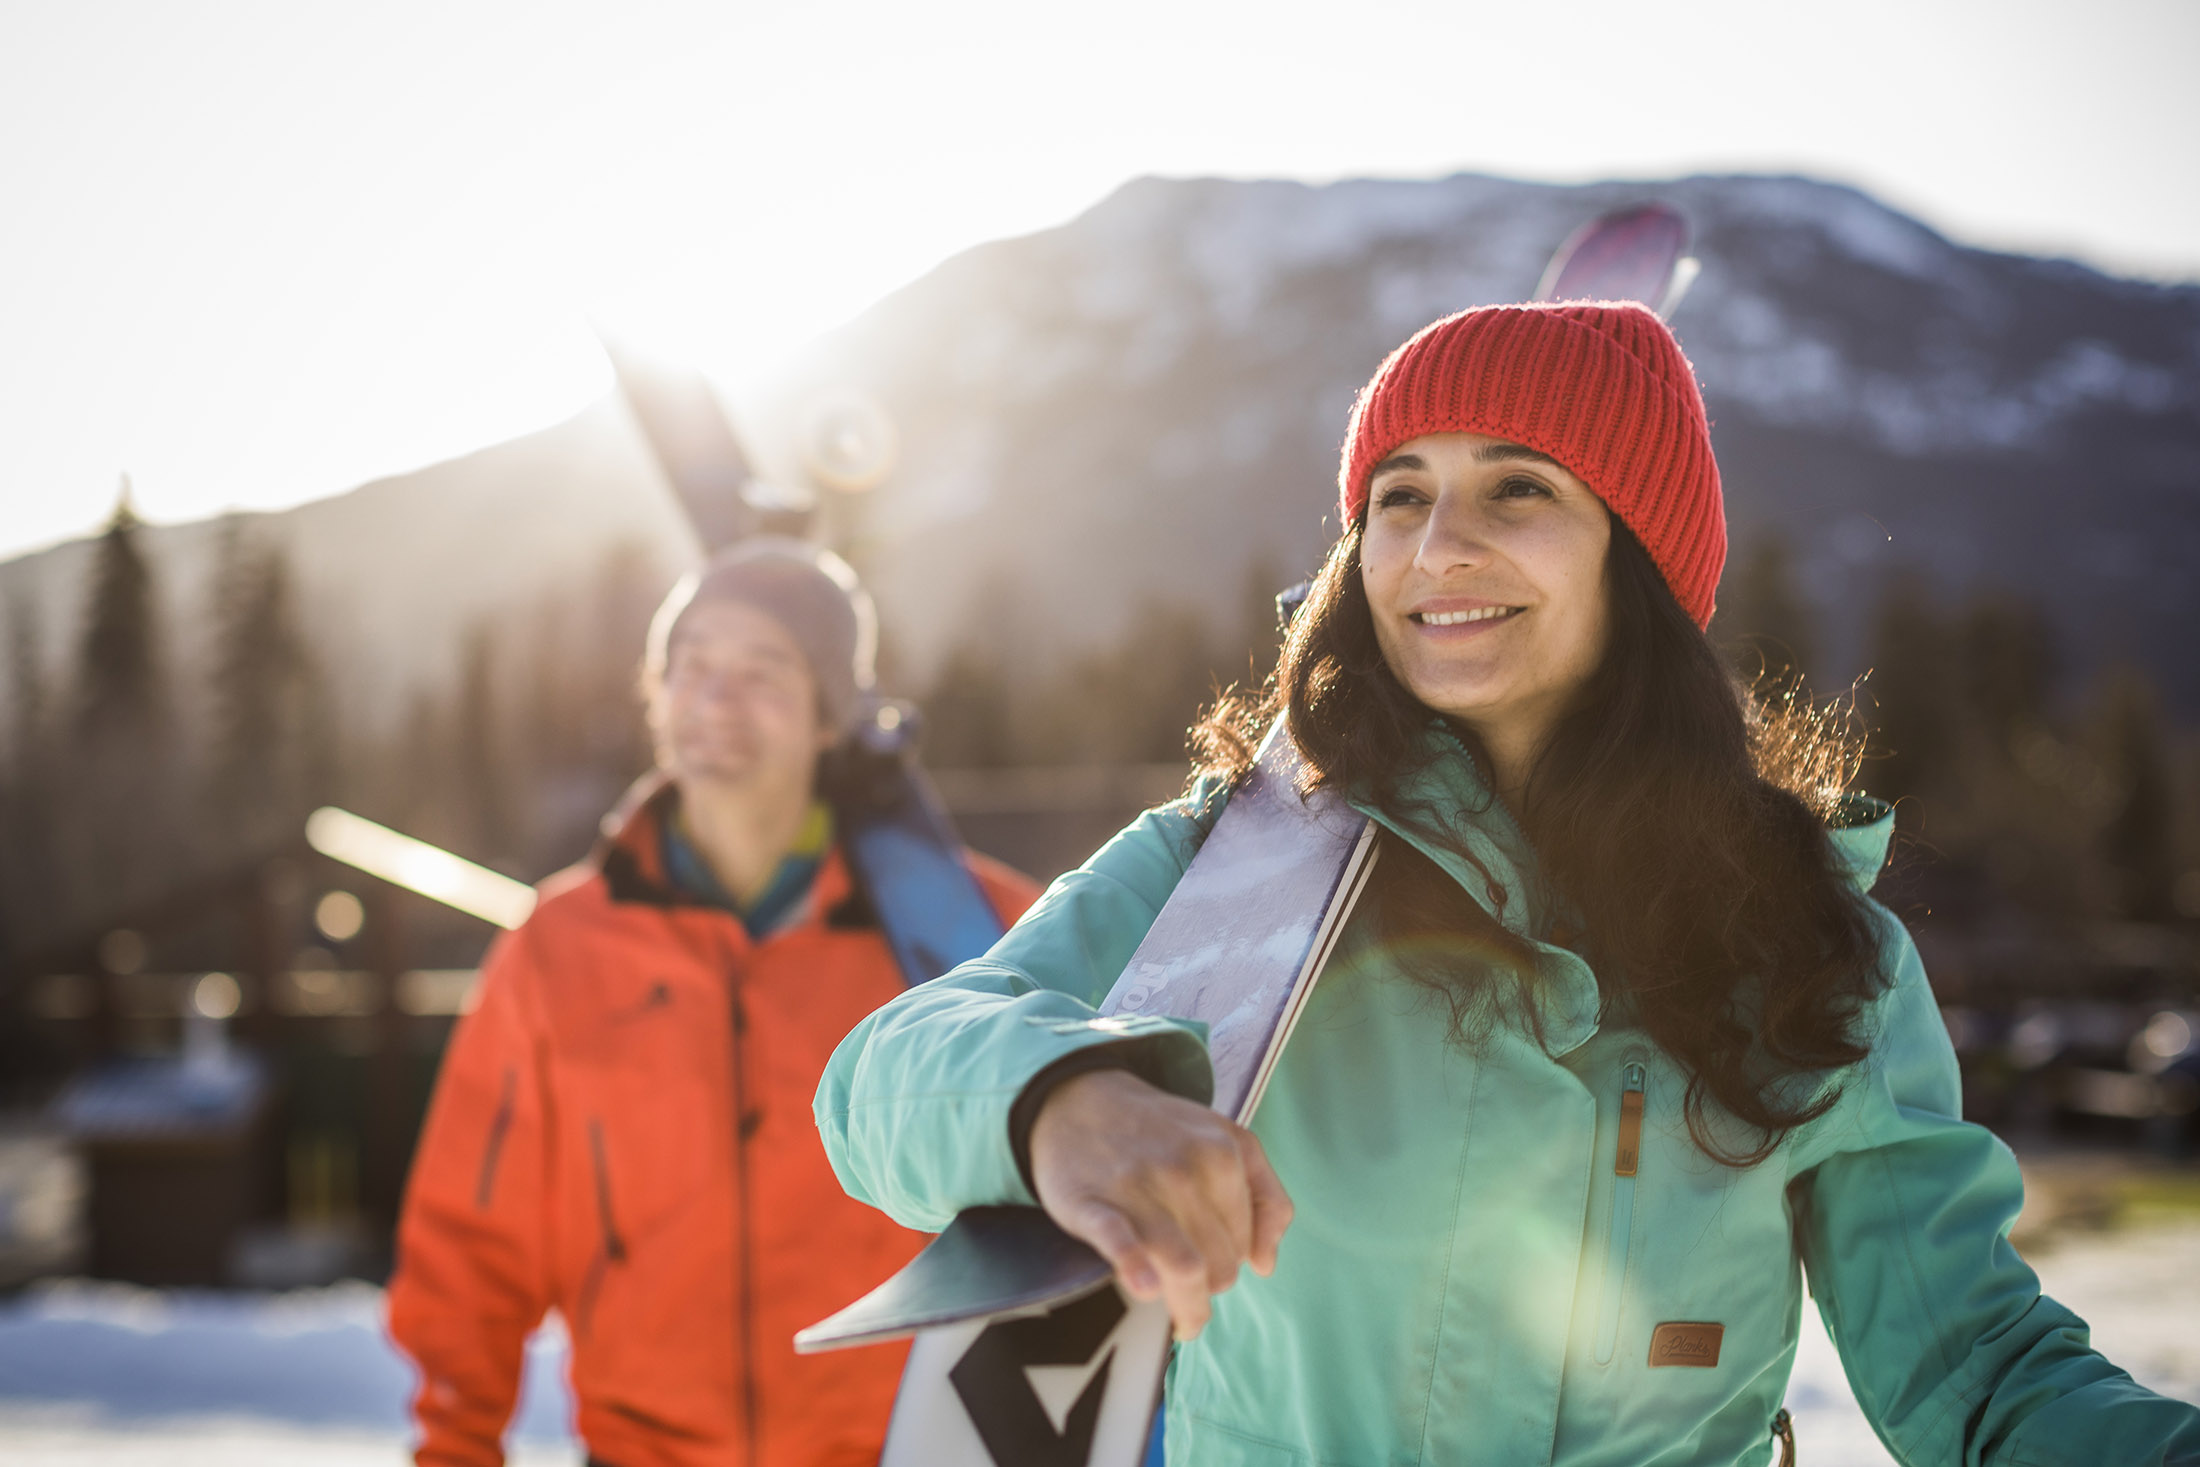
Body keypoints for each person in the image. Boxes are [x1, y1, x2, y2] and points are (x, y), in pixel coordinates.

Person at [815, 303, 2200, 1465]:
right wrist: (1062, 1098)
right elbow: (880, 1075)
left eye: (1517, 487)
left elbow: (1973, 1359)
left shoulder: (1811, 943)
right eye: (1397, 496)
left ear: (1640, 556)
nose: (1435, 547)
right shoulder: (1241, 858)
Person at [388, 540, 1039, 1467]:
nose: (716, 699)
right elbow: (469, 1240)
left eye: (762, 671)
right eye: (689, 667)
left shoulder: (975, 930)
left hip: (903, 1451)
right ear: (652, 694)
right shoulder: (557, 949)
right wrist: (455, 1443)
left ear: (829, 718)